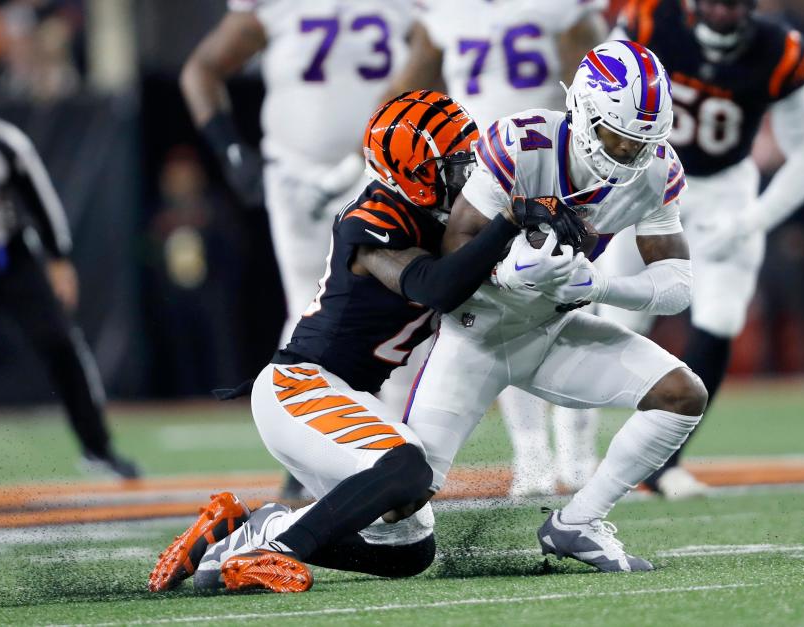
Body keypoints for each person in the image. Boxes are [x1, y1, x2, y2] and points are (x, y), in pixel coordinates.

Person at [148, 90, 585, 593]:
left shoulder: (447, 217)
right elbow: (435, 287)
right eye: (456, 165)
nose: (469, 176)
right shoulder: (370, 220)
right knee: (405, 468)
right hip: (298, 386)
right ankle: (272, 553)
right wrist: (510, 219)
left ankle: (247, 529)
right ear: (415, 173)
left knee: (409, 549)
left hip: (344, 392)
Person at [405, 41, 708, 572]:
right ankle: (270, 532)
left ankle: (577, 524)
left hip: (549, 333)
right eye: (620, 137)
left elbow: (678, 285)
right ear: (586, 112)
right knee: (400, 506)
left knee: (681, 395)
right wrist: (510, 271)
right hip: (474, 333)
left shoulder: (655, 167)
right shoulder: (522, 142)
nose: (630, 155)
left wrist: (596, 287)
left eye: (643, 142)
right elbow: (456, 249)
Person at [592, 0, 804, 497]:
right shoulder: (649, 20)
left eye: (734, 3)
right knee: (613, 315)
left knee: (720, 317)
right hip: (648, 177)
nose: (723, 13)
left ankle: (665, 463)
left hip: (724, 189)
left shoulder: (778, 50)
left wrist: (752, 220)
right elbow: (597, 102)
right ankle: (574, 453)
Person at [180, 0, 415, 497]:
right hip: (299, 180)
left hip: (380, 173)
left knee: (392, 308)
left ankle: (383, 446)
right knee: (310, 306)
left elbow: (437, 57)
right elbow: (200, 69)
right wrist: (229, 149)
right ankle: (316, 442)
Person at [381, 0, 609, 496]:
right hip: (482, 180)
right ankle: (534, 455)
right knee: (502, 314)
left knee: (572, 304)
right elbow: (414, 92)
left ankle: (575, 452)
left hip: (549, 169)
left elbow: (596, 82)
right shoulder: (445, 11)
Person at [0, 58, 137, 478]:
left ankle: (98, 448)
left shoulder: (2, 144)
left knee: (60, 342)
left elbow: (42, 202)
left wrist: (58, 260)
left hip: (5, 254)